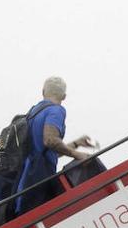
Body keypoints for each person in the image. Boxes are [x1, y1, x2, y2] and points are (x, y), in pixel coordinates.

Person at [14, 76, 95, 216]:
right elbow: (50, 140)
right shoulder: (56, 110)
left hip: (26, 181)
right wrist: (78, 155)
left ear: (43, 91)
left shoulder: (33, 113)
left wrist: (75, 144)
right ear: (64, 96)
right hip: (40, 180)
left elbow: (45, 150)